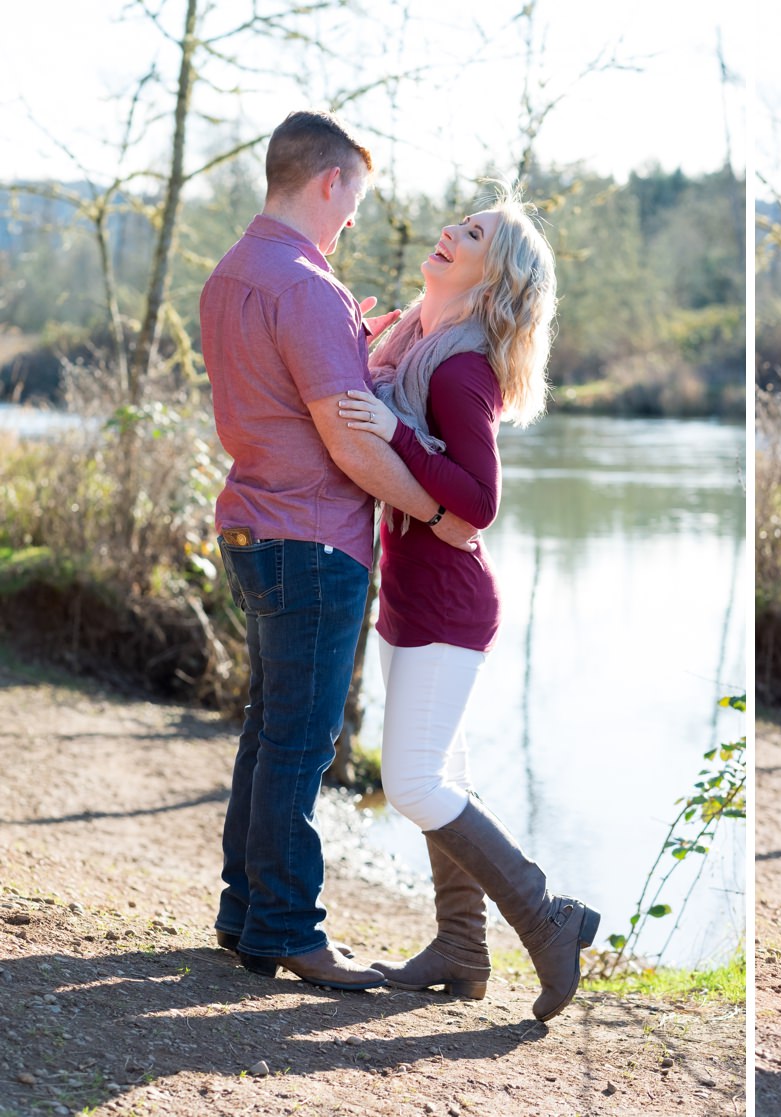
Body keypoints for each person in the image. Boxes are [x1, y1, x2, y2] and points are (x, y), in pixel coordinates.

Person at [202, 109, 480, 992]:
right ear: (329, 183)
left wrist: (353, 343)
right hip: (313, 540)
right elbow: (354, 445)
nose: (354, 216)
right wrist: (439, 516)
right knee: (301, 740)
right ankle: (288, 926)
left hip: (250, 525)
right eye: (354, 196)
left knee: (269, 728)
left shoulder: (233, 274)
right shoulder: (308, 289)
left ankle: (246, 914)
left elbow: (284, 397)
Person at [336, 190, 599, 1022]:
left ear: (496, 278)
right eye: (458, 222)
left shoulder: (459, 366)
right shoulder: (415, 340)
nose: (450, 231)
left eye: (474, 233)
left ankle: (546, 917)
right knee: (439, 773)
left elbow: (479, 501)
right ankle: (460, 946)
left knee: (411, 781)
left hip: (449, 598)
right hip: (413, 586)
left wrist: (391, 429)